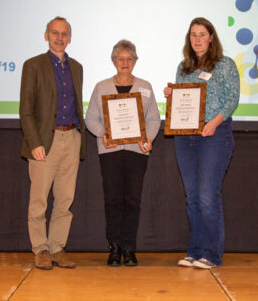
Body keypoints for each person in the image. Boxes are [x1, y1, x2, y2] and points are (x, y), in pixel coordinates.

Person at [164, 17, 239, 269]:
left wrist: (214, 122)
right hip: (185, 138)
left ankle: (212, 254)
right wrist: (171, 96)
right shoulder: (183, 68)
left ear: (211, 37)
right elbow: (181, 104)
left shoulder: (225, 65)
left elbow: (232, 100)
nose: (197, 39)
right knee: (193, 197)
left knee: (208, 196)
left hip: (214, 135)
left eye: (202, 34)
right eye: (193, 34)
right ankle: (195, 251)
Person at [85, 40, 161, 267]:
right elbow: (91, 118)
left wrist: (148, 139)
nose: (125, 63)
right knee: (113, 200)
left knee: (132, 200)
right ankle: (114, 247)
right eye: (121, 58)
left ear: (135, 61)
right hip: (110, 152)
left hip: (137, 152)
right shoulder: (101, 87)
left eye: (129, 59)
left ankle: (129, 248)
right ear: (114, 61)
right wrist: (103, 135)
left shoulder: (145, 86)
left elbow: (154, 119)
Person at [20, 16, 86, 270]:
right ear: (46, 35)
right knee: (39, 200)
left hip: (71, 138)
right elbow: (26, 110)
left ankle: (57, 247)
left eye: (64, 34)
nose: (60, 38)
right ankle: (40, 249)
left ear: (70, 38)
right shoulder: (33, 65)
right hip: (44, 142)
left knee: (65, 199)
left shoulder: (77, 67)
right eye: (55, 33)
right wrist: (35, 142)